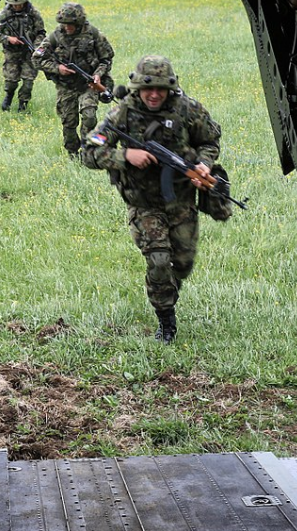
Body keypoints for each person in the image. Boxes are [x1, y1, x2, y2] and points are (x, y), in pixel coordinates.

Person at [82, 55, 223, 343]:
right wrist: (125, 155)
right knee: (159, 260)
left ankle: (167, 291)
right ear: (138, 88)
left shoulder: (187, 109)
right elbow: (88, 152)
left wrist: (203, 165)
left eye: (161, 89)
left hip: (182, 200)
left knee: (182, 263)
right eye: (148, 89)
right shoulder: (122, 113)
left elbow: (210, 141)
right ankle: (166, 320)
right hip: (143, 203)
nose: (155, 95)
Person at [32, 2, 115, 159]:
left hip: (88, 84)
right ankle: (72, 153)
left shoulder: (94, 34)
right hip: (66, 86)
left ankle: (87, 148)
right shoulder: (55, 37)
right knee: (68, 122)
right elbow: (36, 59)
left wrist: (98, 75)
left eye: (71, 24)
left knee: (89, 116)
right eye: (64, 23)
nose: (67, 27)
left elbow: (106, 59)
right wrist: (58, 68)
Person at [0, 0, 45, 112]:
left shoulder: (33, 13)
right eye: (14, 5)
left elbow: (41, 33)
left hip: (29, 52)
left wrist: (36, 47)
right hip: (11, 51)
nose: (17, 7)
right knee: (11, 81)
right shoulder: (3, 15)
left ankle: (23, 104)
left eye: (20, 4)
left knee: (28, 81)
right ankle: (9, 96)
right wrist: (8, 39)